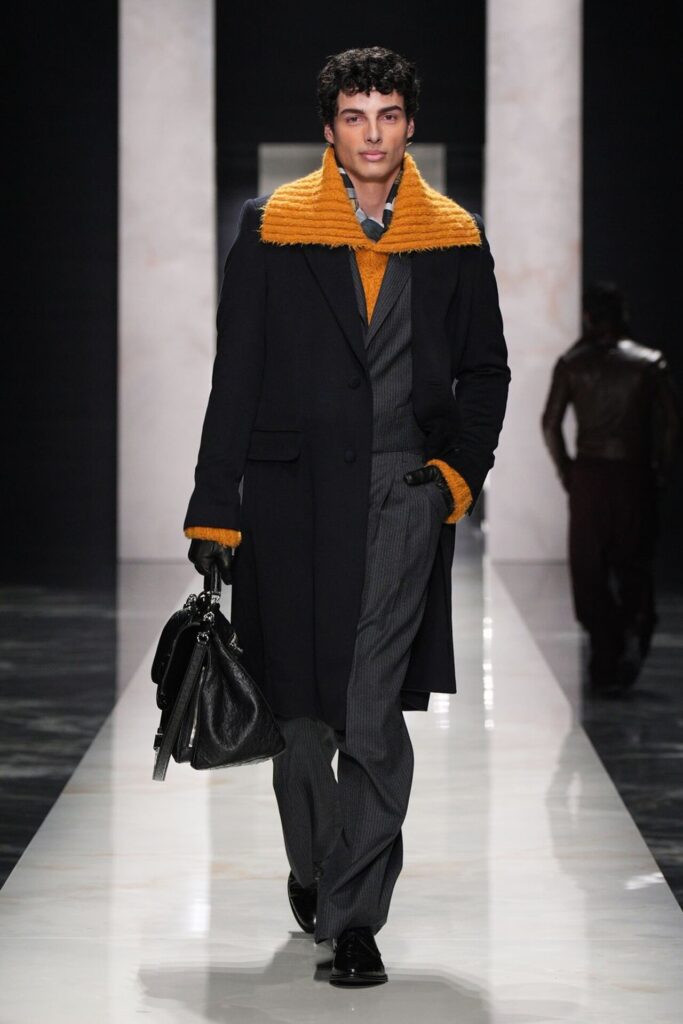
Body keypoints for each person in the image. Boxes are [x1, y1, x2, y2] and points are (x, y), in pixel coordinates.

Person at [183, 46, 509, 986]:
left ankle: (356, 919)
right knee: (300, 724)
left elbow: (485, 370)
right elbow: (236, 371)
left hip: (403, 496)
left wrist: (454, 478)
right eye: (356, 116)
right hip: (289, 504)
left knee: (369, 715)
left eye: (389, 115)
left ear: (409, 126)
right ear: (328, 129)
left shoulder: (452, 236)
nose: (373, 134)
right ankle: (315, 866)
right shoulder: (274, 226)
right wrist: (215, 509)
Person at [541, 281, 680, 697]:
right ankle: (632, 632)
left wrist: (567, 471)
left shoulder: (572, 364)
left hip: (589, 476)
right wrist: (660, 470)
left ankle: (606, 650)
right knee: (633, 561)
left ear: (587, 317)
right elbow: (673, 422)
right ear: (623, 316)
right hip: (633, 473)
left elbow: (550, 423)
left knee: (589, 569)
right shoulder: (649, 364)